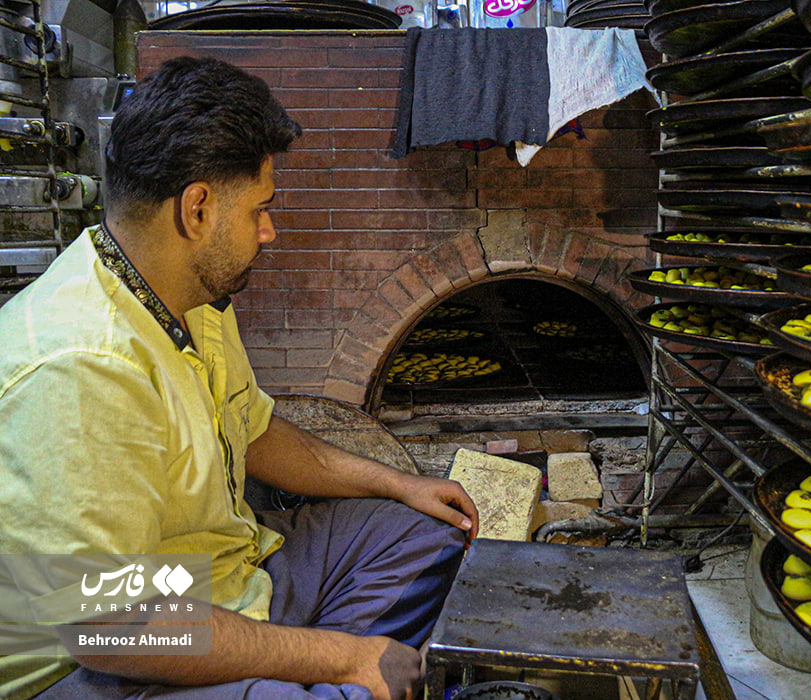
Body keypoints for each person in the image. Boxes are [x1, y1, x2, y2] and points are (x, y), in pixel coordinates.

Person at [0, 56, 478, 700]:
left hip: (223, 576)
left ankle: (312, 670)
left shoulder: (188, 294)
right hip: (104, 658)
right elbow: (111, 624)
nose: (269, 229)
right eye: (259, 209)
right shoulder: (84, 367)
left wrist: (401, 484)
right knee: (352, 682)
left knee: (429, 532)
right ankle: (333, 674)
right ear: (197, 209)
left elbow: (254, 433)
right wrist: (339, 656)